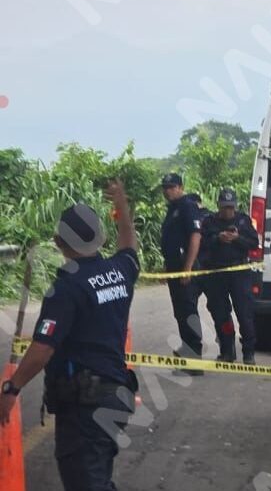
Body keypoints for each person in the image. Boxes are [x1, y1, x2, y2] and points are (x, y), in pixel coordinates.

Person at [1, 181, 139, 491]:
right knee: (97, 477)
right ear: (100, 238)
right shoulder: (121, 270)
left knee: (87, 482)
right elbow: (129, 244)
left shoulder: (66, 289)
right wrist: (122, 207)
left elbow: (42, 350)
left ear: (58, 242)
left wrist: (12, 388)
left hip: (84, 408)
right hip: (115, 396)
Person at [200, 188, 259, 364]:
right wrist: (218, 238)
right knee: (221, 314)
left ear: (235, 206)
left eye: (230, 207)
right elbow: (202, 243)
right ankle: (227, 350)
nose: (228, 211)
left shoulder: (243, 221)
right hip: (217, 273)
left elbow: (254, 243)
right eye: (224, 207)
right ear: (218, 205)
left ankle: (249, 352)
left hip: (239, 272)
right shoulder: (209, 222)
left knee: (244, 313)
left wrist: (236, 239)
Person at [160, 173, 204, 371]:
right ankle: (187, 351)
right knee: (180, 312)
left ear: (180, 187)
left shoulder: (187, 206)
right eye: (165, 188)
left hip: (185, 267)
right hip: (174, 268)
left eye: (171, 187)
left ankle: (194, 357)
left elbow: (195, 236)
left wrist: (187, 268)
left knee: (188, 311)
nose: (167, 191)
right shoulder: (173, 209)